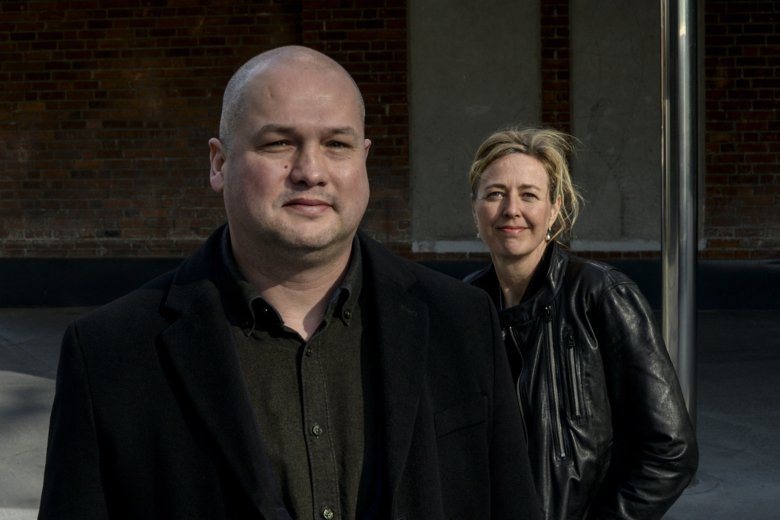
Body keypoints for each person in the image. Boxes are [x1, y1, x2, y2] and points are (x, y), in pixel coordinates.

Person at [38, 46, 542, 520]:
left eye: (336, 144)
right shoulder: (111, 354)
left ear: (363, 158)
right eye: (279, 143)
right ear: (218, 163)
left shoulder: (463, 320)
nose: (310, 171)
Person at [464, 126, 699, 519]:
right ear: (475, 210)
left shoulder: (602, 295)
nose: (511, 210)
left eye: (529, 195)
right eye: (494, 194)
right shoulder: (466, 306)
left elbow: (671, 449)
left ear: (554, 209)